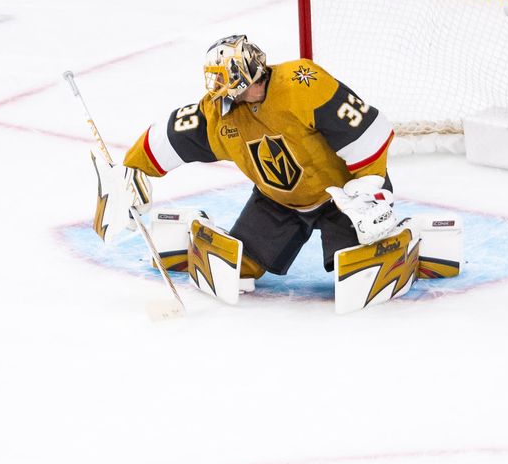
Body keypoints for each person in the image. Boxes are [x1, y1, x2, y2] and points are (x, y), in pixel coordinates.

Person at [120, 35, 399, 280]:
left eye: (222, 76)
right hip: (278, 203)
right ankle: (191, 235)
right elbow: (176, 134)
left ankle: (401, 245)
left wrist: (369, 187)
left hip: (342, 198)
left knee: (358, 270)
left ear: (241, 74)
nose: (216, 85)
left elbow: (367, 129)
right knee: (237, 266)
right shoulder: (221, 114)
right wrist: (133, 170)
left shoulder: (302, 84)